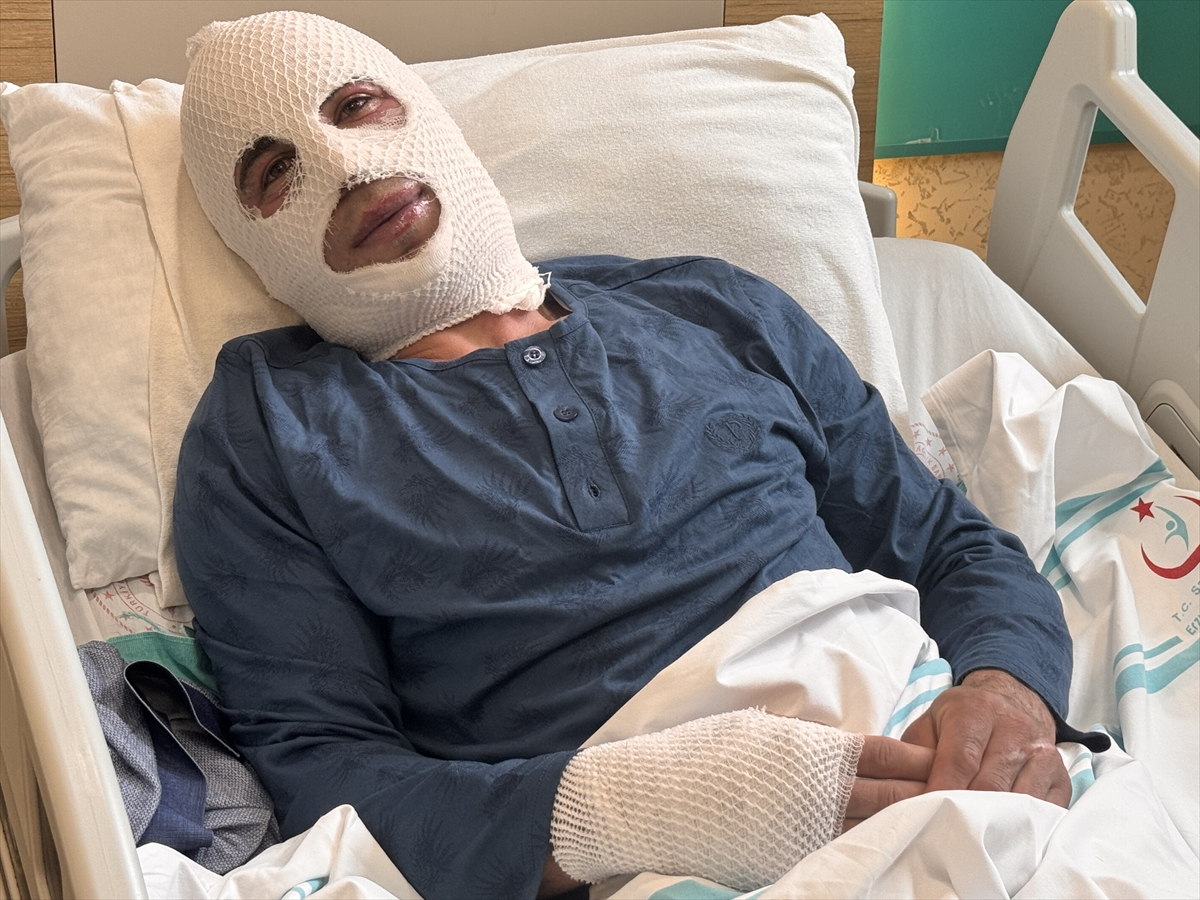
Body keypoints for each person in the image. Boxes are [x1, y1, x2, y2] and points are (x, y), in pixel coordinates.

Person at [172, 11, 1105, 900]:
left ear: (425, 114)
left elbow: (945, 544)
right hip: (650, 860)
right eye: (275, 172)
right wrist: (629, 812)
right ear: (249, 239)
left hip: (957, 766)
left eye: (355, 106)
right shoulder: (266, 427)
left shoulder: (714, 305)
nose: (345, 166)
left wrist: (1006, 690)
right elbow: (324, 771)